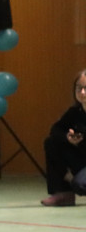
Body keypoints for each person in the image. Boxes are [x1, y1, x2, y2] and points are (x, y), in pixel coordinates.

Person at [41, 70, 86, 206]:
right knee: (51, 143)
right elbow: (55, 130)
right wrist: (68, 137)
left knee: (80, 185)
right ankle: (63, 193)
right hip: (82, 160)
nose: (82, 92)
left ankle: (74, 181)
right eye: (79, 88)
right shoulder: (74, 112)